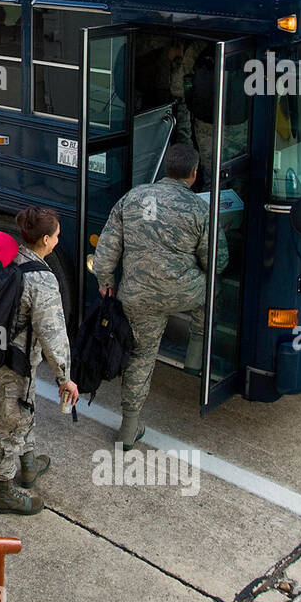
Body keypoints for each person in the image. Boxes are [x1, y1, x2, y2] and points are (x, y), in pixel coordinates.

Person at [91, 144, 229, 450]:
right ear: (194, 174)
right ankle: (196, 354)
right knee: (213, 289)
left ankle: (129, 427)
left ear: (166, 169)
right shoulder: (200, 208)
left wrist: (105, 281)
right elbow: (217, 262)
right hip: (184, 291)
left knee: (141, 356)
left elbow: (106, 251)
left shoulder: (133, 197)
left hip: (137, 296)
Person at [0, 207, 79, 515]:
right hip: (14, 362)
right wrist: (65, 376)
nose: (58, 241)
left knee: (22, 408)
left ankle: (28, 464)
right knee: (9, 423)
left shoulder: (8, 257)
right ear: (46, 239)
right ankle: (4, 492)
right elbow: (53, 334)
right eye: (57, 236)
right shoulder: (42, 280)